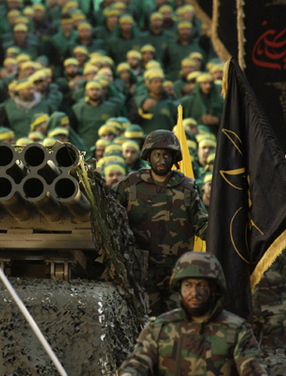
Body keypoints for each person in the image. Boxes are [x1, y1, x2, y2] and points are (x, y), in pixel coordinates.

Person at [118, 251, 268, 376]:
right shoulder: (159, 328)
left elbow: (252, 368)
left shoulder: (236, 330)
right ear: (179, 288)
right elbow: (138, 362)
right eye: (188, 285)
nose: (194, 293)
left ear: (213, 288)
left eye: (201, 286)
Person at [113, 130, 208, 316]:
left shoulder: (187, 188)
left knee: (178, 321)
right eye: (157, 155)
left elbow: (202, 224)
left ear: (174, 158)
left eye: (166, 155)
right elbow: (108, 212)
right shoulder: (131, 184)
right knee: (145, 323)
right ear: (149, 157)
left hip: (178, 272)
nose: (162, 160)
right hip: (142, 272)